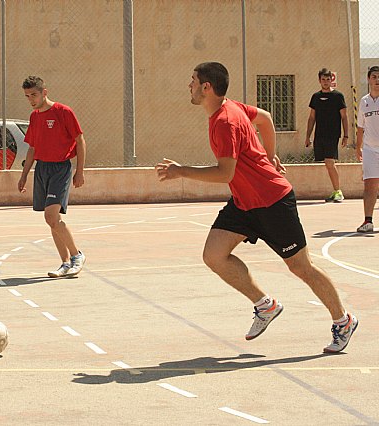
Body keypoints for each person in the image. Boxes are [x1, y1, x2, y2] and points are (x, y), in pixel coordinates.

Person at [156, 62, 358, 353]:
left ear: (206, 87)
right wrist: (270, 155)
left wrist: (182, 171)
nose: (189, 85)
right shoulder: (228, 108)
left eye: (193, 80)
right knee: (214, 255)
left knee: (301, 267)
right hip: (245, 202)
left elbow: (225, 173)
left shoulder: (225, 121)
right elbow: (264, 118)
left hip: (272, 201)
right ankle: (266, 306)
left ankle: (343, 320)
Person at [18, 76, 87, 277]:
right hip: (42, 169)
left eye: (34, 95)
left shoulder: (63, 112)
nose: (31, 99)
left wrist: (80, 171)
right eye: (27, 96)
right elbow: (32, 148)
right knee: (51, 219)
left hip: (60, 169)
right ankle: (65, 263)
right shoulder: (34, 117)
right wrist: (24, 176)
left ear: (44, 93)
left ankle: (76, 256)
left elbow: (80, 140)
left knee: (51, 215)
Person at [304, 68, 350, 203]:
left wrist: (346, 135)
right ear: (319, 81)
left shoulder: (338, 96)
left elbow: (344, 116)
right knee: (326, 163)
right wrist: (308, 136)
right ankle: (335, 191)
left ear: (331, 80)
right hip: (320, 134)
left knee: (330, 162)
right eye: (323, 79)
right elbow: (312, 117)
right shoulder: (316, 97)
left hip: (333, 134)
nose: (325, 82)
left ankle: (339, 192)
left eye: (328, 79)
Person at [355, 65, 379, 233]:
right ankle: (368, 221)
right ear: (369, 79)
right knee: (370, 185)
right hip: (370, 150)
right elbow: (360, 128)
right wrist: (359, 148)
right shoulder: (363, 101)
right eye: (374, 77)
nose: (377, 80)